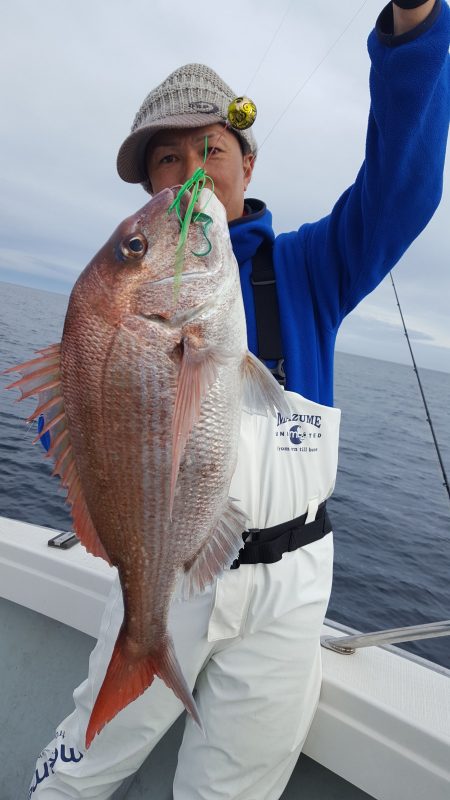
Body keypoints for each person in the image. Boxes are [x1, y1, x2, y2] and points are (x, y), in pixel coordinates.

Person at [29, 1, 449, 798]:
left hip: (291, 593)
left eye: (210, 149)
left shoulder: (311, 269)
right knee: (80, 769)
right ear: (148, 184)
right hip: (168, 573)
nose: (192, 173)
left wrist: (415, 24)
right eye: (168, 160)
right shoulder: (122, 301)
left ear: (246, 166)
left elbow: (403, 187)